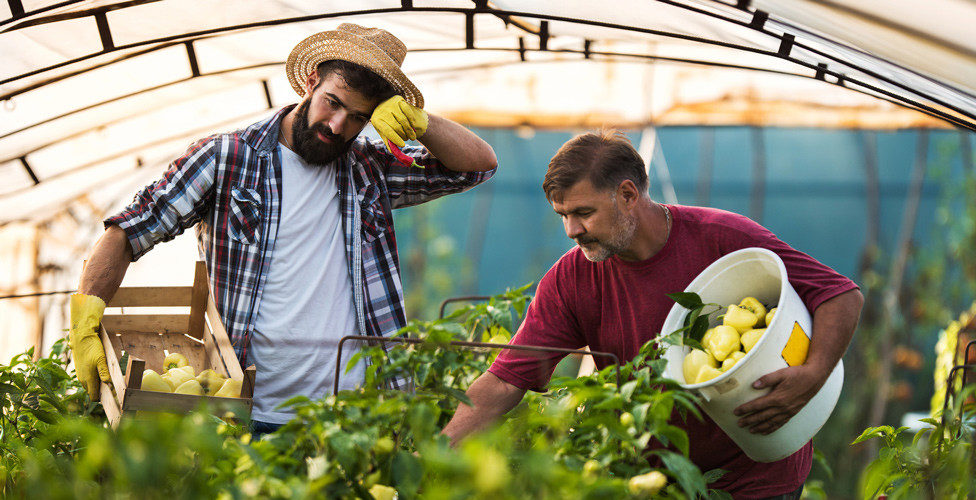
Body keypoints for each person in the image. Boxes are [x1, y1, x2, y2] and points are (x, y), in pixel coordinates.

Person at [67, 23, 498, 435]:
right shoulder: (227, 159)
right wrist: (85, 321)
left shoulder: (371, 167)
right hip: (242, 410)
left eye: (358, 117)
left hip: (354, 418)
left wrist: (420, 122)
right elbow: (130, 229)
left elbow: (477, 167)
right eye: (333, 102)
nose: (337, 126)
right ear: (310, 81)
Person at [441, 131, 862, 499]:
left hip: (752, 474)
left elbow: (838, 294)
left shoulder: (722, 237)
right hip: (651, 480)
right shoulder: (571, 278)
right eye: (563, 216)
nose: (571, 230)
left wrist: (814, 373)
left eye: (583, 213)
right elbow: (505, 379)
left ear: (627, 195)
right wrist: (437, 457)